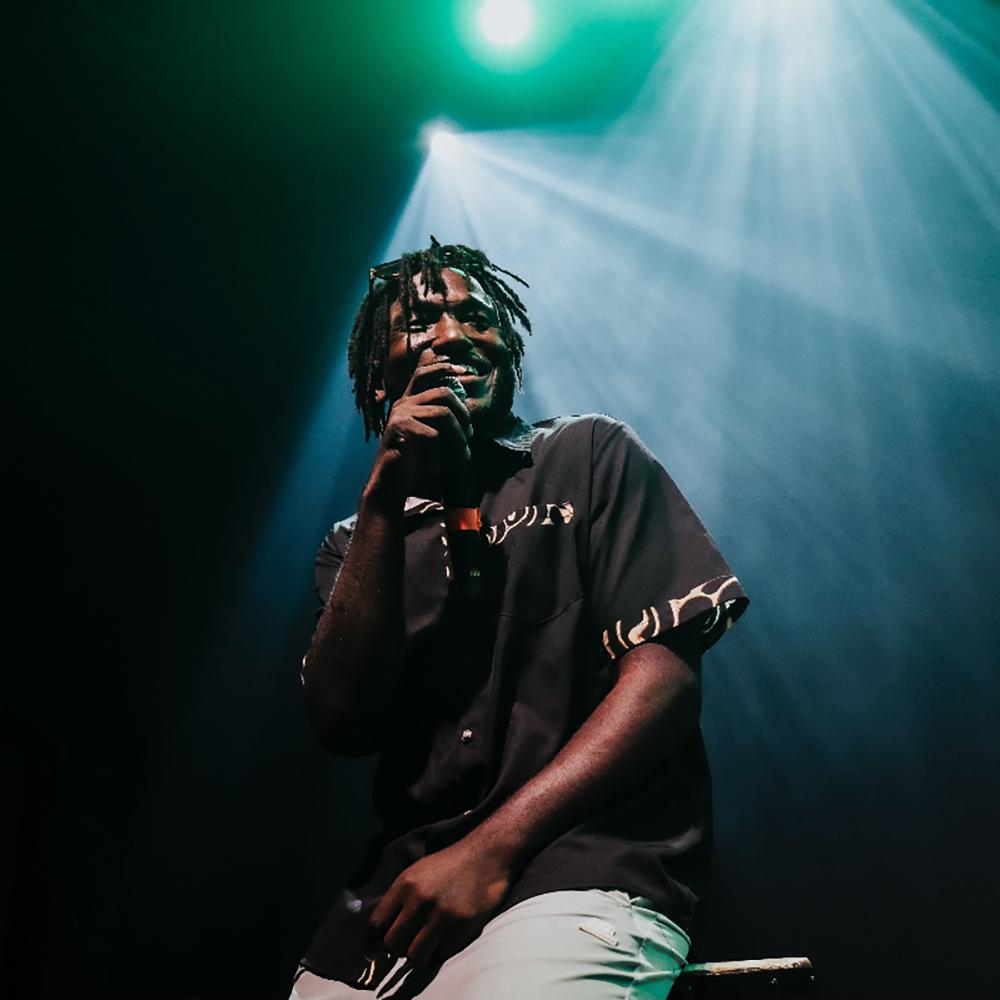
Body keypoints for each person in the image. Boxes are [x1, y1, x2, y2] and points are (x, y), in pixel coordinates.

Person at [293, 239, 748, 1000]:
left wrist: (488, 851)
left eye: (478, 317)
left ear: (509, 346)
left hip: (576, 873)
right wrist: (384, 494)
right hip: (393, 910)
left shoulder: (587, 454)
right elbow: (340, 721)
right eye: (422, 322)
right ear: (377, 375)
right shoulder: (354, 543)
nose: (454, 335)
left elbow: (665, 682)